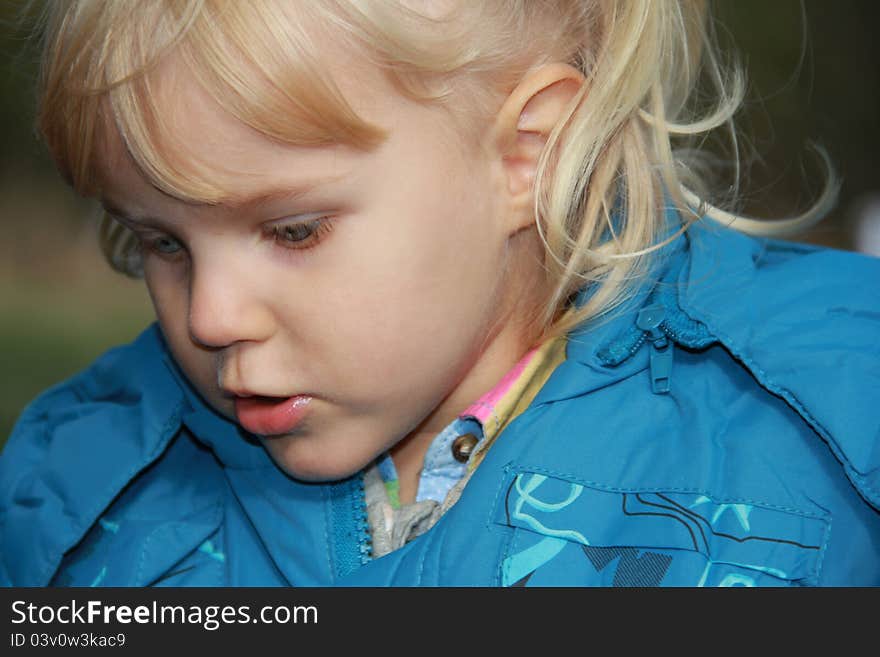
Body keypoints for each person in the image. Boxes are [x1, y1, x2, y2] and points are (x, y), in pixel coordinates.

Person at [1, 0, 878, 587]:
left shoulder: (836, 425)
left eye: (293, 230)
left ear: (525, 154)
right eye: (163, 241)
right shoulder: (80, 491)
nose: (211, 316)